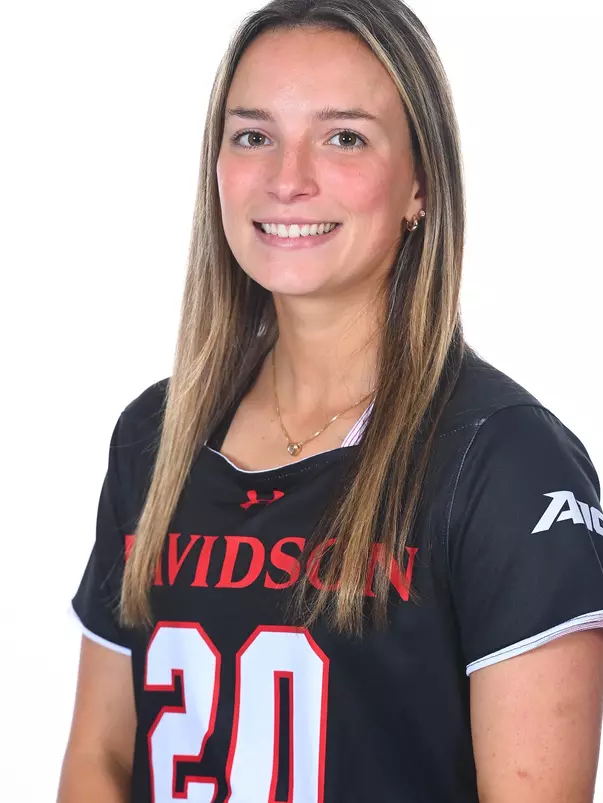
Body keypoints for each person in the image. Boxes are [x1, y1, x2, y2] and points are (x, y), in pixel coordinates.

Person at [57, 1, 603, 801]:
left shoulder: (505, 464)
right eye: (253, 135)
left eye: (343, 136)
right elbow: (100, 757)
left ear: (421, 183)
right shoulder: (154, 437)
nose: (287, 178)